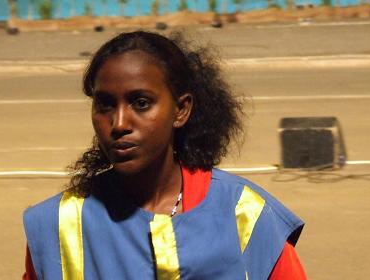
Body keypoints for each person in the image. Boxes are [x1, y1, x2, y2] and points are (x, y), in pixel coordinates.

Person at [23, 30, 306, 280]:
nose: (119, 123)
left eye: (141, 103)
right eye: (105, 105)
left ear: (181, 110)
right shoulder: (57, 225)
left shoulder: (246, 215)